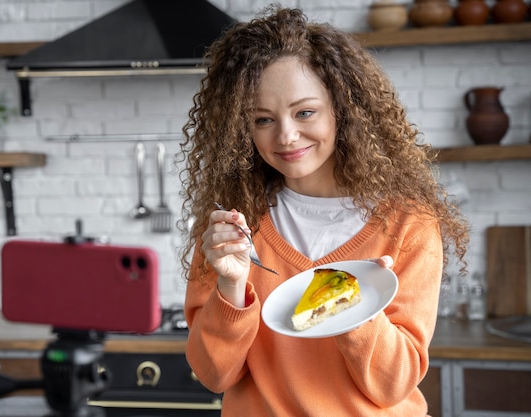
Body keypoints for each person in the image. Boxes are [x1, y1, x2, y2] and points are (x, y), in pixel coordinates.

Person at [176, 5, 469, 416]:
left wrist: (353, 301)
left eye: (305, 112)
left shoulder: (409, 224)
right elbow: (213, 375)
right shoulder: (233, 229)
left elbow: (394, 384)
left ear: (344, 109)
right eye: (262, 119)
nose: (286, 135)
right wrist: (230, 288)